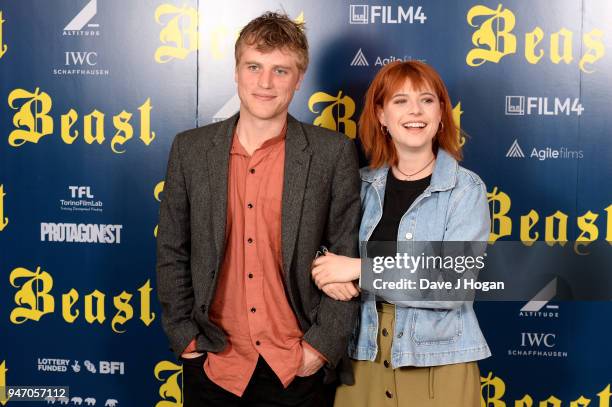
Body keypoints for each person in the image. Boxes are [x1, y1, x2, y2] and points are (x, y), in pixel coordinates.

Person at [156, 11, 361, 407]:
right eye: (254, 67)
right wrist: (185, 338)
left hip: (297, 367)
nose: (265, 83)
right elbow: (172, 251)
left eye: (280, 71)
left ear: (299, 79)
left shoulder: (331, 153)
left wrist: (319, 349)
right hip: (215, 364)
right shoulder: (191, 150)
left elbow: (345, 254)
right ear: (236, 71)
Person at [311, 60, 491, 407]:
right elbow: (321, 250)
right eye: (400, 101)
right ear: (381, 115)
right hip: (361, 354)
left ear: (441, 113)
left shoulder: (466, 190)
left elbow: (452, 284)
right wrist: (323, 269)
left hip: (440, 361)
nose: (415, 111)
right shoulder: (357, 183)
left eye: (426, 100)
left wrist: (358, 269)